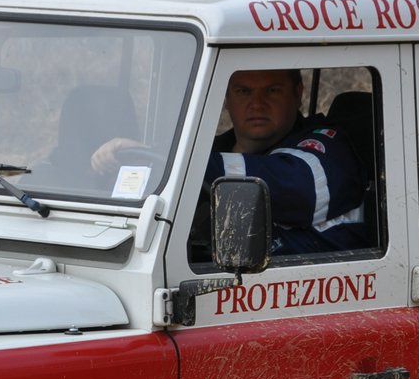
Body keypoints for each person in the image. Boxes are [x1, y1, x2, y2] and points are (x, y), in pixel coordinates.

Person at [93, 69, 367, 255]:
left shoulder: (327, 147)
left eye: (272, 91)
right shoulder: (209, 154)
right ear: (226, 98)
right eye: (243, 91)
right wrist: (109, 165)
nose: (257, 103)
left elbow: (297, 187)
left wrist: (171, 162)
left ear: (298, 94)